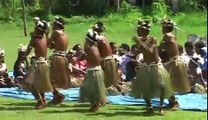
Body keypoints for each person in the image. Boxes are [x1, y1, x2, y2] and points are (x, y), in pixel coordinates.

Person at [132, 19, 173, 116]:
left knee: (161, 86)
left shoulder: (152, 39)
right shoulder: (140, 40)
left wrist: (140, 43)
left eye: (139, 29)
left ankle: (161, 107)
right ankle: (149, 107)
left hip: (155, 65)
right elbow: (139, 51)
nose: (137, 31)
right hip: (146, 66)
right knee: (144, 87)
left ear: (144, 30)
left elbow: (150, 50)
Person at [158, 19, 190, 110]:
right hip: (173, 62)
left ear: (165, 28)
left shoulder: (167, 36)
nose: (162, 29)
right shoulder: (171, 36)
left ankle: (174, 102)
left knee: (167, 83)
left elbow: (160, 49)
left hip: (174, 63)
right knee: (167, 83)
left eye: (162, 27)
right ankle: (172, 101)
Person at [24, 20, 53, 109]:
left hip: (38, 64)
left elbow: (27, 52)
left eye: (36, 28)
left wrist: (25, 52)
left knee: (29, 83)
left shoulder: (34, 39)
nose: (34, 29)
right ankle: (43, 100)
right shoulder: (45, 37)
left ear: (39, 30)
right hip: (44, 63)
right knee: (40, 83)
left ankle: (40, 101)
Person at [79, 30, 106, 112]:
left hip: (93, 71)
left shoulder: (88, 47)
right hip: (98, 70)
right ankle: (96, 104)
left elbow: (83, 57)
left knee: (88, 88)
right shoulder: (95, 47)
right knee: (94, 89)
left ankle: (95, 105)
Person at [47, 16, 71, 105]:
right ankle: (56, 95)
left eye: (53, 24)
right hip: (63, 57)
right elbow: (51, 46)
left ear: (56, 25)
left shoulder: (56, 32)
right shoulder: (64, 33)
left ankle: (57, 95)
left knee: (49, 77)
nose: (52, 26)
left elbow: (47, 43)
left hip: (57, 57)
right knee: (54, 78)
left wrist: (46, 33)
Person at [92, 22, 121, 92]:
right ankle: (121, 92)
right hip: (111, 60)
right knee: (113, 81)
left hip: (105, 61)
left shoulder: (98, 39)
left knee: (102, 80)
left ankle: (101, 95)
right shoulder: (104, 37)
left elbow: (97, 52)